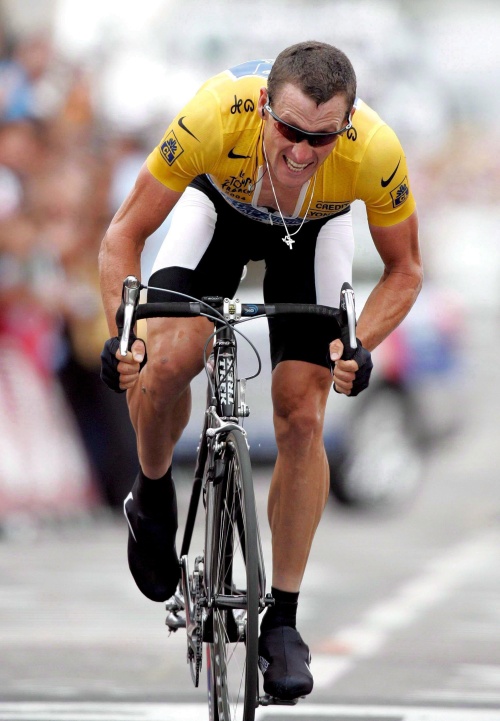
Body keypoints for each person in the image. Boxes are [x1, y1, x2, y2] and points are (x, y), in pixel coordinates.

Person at [99, 41, 422, 701]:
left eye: (321, 139)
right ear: (264, 110)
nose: (302, 153)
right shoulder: (216, 115)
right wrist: (123, 336)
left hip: (315, 232)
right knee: (168, 360)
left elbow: (406, 270)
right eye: (290, 132)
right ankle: (152, 492)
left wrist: (358, 345)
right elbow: (123, 235)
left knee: (303, 413)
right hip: (218, 210)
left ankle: (284, 619)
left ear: (347, 125)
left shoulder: (375, 150)